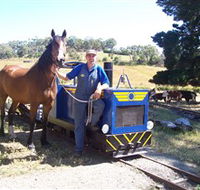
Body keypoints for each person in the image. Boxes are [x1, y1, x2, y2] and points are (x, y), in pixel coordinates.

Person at [56, 49, 110, 157]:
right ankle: (78, 149)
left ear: (96, 57)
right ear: (86, 57)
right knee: (78, 125)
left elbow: (106, 83)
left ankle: (92, 123)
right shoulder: (80, 68)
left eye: (93, 56)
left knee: (101, 105)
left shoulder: (98, 69)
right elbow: (67, 78)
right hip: (79, 99)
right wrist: (56, 72)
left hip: (92, 98)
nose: (91, 57)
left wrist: (100, 88)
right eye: (89, 55)